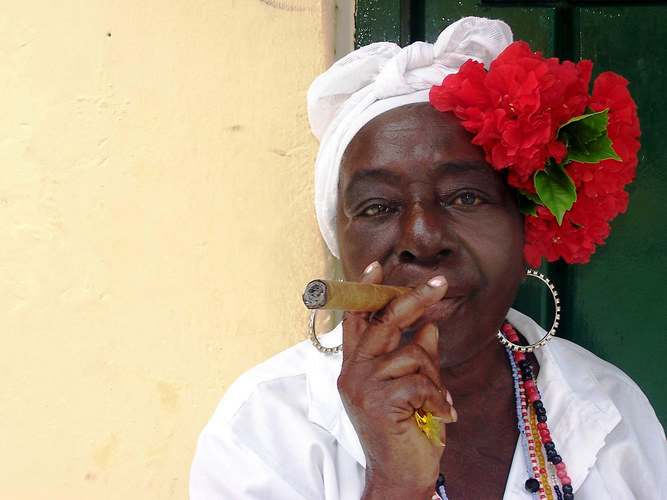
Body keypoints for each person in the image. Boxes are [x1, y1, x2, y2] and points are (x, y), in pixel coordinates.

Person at [190, 17, 667, 499]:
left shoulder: (611, 410)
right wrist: (395, 483)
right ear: (340, 243)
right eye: (377, 206)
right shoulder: (263, 430)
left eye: (466, 197)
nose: (422, 238)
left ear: (526, 227)